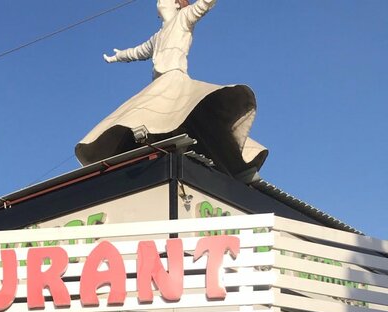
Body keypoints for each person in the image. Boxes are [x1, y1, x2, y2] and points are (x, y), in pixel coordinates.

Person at [75, 0, 267, 181]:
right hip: (160, 84)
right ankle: (159, 150)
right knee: (159, 118)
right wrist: (118, 56)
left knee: (194, 121)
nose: (159, 2)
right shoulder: (157, 36)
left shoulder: (183, 18)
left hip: (174, 78)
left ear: (176, 4)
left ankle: (238, 161)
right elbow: (139, 51)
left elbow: (203, 5)